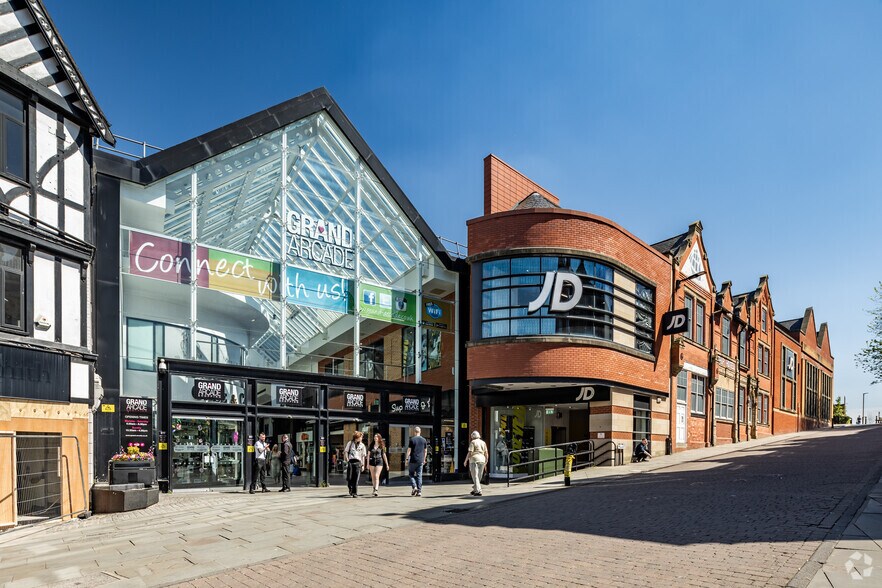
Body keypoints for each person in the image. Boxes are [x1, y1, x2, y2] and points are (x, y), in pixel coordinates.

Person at [464, 431, 489, 496]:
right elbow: (486, 452)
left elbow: (470, 452)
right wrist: (486, 460)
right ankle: (475, 489)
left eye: (471, 436)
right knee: (479, 476)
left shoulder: (473, 442)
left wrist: (466, 460)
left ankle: (478, 490)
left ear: (472, 436)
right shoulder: (483, 442)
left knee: (475, 476)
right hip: (482, 459)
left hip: (474, 459)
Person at [404, 426, 428, 497]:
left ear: (414, 432)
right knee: (419, 475)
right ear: (420, 432)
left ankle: (414, 487)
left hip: (413, 460)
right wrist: (424, 459)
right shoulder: (424, 440)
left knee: (411, 474)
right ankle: (419, 491)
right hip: (420, 460)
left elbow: (409, 450)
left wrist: (407, 459)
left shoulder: (412, 439)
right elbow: (425, 451)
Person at [343, 432, 367, 497]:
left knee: (356, 478)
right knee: (350, 478)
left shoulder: (362, 445)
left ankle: (354, 493)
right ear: (357, 437)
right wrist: (347, 459)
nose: (361, 438)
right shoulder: (350, 443)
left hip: (358, 462)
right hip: (351, 462)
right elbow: (346, 451)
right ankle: (350, 488)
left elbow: (363, 456)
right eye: (361, 437)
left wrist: (363, 465)